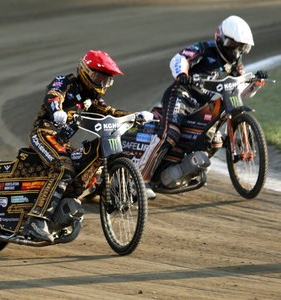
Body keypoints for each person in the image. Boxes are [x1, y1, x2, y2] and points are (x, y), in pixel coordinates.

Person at [24, 49, 150, 242]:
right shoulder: (65, 81)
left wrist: (136, 116)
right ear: (87, 72)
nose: (103, 84)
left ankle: (83, 198)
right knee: (64, 167)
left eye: (107, 80)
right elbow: (53, 96)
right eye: (101, 78)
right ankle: (36, 219)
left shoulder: (93, 99)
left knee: (87, 163)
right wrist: (57, 111)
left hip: (62, 143)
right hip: (44, 134)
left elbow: (110, 112)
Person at [137, 15, 268, 199]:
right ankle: (142, 180)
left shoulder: (234, 66)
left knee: (214, 140)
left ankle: (181, 170)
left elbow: (240, 92)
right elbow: (179, 58)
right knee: (170, 134)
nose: (236, 52)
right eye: (233, 46)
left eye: (241, 48)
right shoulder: (205, 49)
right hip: (181, 96)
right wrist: (182, 74)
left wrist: (255, 82)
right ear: (221, 39)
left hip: (201, 106)